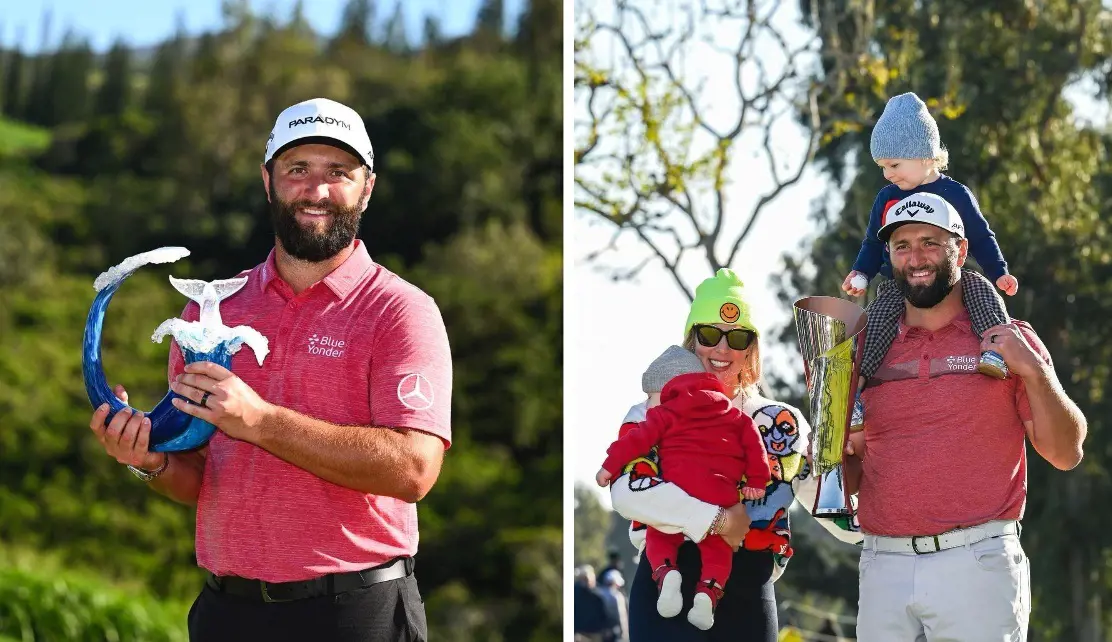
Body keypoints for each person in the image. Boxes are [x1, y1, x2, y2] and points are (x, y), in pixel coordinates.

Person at [87, 97, 452, 642]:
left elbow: (413, 470)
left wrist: (259, 420)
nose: (317, 191)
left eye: (339, 173)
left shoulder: (400, 310)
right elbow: (198, 476)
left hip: (357, 611)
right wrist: (149, 461)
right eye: (297, 169)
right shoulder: (209, 311)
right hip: (227, 612)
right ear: (267, 180)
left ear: (367, 187)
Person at [841, 197, 1087, 641]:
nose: (916, 259)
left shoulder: (1009, 339)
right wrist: (835, 453)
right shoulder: (862, 351)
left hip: (976, 562)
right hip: (883, 565)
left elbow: (1066, 452)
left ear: (960, 246)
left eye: (930, 243)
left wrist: (1035, 371)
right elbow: (851, 474)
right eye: (902, 246)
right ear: (888, 256)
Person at [607, 268, 816, 642]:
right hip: (665, 580)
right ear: (691, 341)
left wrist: (847, 462)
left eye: (736, 337)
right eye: (709, 334)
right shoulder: (651, 411)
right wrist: (718, 520)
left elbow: (843, 520)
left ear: (751, 348)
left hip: (749, 593)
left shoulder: (780, 422)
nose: (722, 349)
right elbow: (626, 493)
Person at [841, 92, 1020, 381]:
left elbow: (981, 236)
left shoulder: (955, 195)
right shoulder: (886, 199)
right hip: (899, 283)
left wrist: (999, 272)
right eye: (883, 167)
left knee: (984, 294)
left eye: (894, 165)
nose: (888, 174)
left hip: (952, 278)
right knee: (875, 319)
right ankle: (856, 386)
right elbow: (873, 242)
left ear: (924, 155)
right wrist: (861, 272)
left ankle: (996, 353)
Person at [597, 346, 771, 630]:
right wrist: (756, 481)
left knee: (659, 534)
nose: (648, 404)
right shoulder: (734, 414)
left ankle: (666, 573)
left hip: (677, 490)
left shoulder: (665, 414)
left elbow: (635, 443)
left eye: (651, 397)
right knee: (719, 551)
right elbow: (755, 445)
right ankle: (708, 593)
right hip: (722, 497)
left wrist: (608, 467)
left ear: (668, 390)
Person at [576, 565, 611, 642]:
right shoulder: (576, 593)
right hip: (580, 632)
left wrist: (606, 628)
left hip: (596, 632)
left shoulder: (598, 595)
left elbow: (604, 612)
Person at [598, 569, 630, 642]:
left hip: (603, 632)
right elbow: (622, 616)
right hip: (617, 633)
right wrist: (625, 634)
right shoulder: (617, 596)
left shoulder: (599, 594)